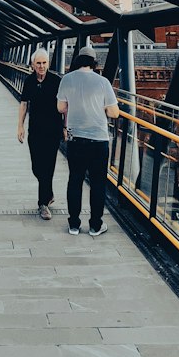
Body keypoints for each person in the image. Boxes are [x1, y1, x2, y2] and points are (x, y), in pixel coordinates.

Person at [57, 47, 119, 237]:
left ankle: (74, 224)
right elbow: (113, 112)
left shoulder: (67, 79)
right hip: (98, 140)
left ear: (77, 61)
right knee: (98, 183)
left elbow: (60, 108)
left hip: (75, 138)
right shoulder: (103, 82)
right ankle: (95, 225)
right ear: (94, 63)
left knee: (75, 180)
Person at [17, 49, 63, 220]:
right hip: (35, 130)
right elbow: (23, 104)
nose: (42, 66)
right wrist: (19, 126)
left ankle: (43, 203)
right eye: (38, 63)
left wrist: (65, 128)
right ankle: (49, 193)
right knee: (37, 166)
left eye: (44, 63)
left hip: (53, 130)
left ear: (48, 64)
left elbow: (65, 105)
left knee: (48, 166)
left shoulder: (56, 81)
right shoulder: (29, 81)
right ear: (33, 65)